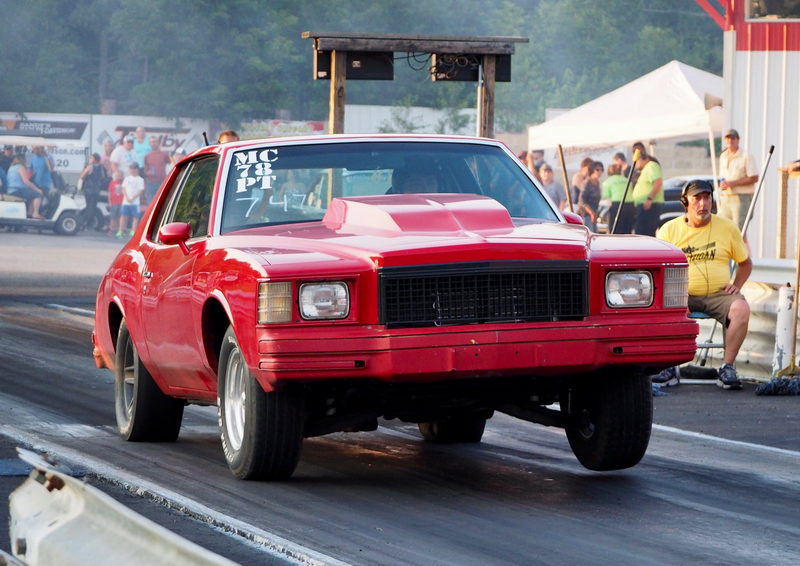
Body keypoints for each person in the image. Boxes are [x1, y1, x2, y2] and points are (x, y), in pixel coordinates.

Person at [654, 179, 752, 390]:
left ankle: (727, 367)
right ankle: (668, 367)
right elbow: (658, 269)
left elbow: (745, 263)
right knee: (668, 308)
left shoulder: (727, 227)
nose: (702, 204)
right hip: (682, 293)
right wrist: (676, 295)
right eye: (696, 198)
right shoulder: (669, 230)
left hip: (718, 294)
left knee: (741, 308)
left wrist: (737, 285)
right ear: (685, 202)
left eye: (706, 198)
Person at [718, 129, 758, 230]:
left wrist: (733, 183)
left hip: (741, 198)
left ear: (738, 140)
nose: (730, 140)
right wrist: (723, 184)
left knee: (739, 232)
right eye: (728, 138)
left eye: (733, 138)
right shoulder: (723, 156)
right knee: (724, 229)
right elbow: (723, 176)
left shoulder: (746, 156)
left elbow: (754, 177)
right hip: (726, 198)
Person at [631, 146, 663, 236]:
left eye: (636, 161)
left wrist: (649, 198)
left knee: (644, 233)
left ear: (642, 159)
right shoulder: (646, 168)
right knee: (641, 232)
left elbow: (658, 182)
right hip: (645, 206)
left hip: (650, 205)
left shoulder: (651, 165)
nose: (636, 165)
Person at [602, 163, 635, 234]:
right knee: (627, 230)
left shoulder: (607, 182)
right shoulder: (627, 180)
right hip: (630, 205)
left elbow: (608, 200)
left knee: (615, 230)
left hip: (617, 205)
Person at [78, 153, 106, 231]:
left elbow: (82, 176)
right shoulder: (101, 167)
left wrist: (85, 168)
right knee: (92, 207)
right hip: (96, 189)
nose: (90, 159)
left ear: (95, 159)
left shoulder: (90, 167)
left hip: (89, 189)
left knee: (88, 207)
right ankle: (89, 223)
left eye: (91, 158)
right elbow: (102, 177)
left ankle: (84, 223)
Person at [117, 163, 144, 238]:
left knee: (135, 217)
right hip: (126, 201)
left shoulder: (140, 179)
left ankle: (133, 231)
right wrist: (127, 197)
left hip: (135, 202)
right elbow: (124, 188)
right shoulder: (127, 178)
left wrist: (133, 198)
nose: (132, 170)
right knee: (123, 216)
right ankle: (121, 231)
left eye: (133, 169)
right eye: (131, 169)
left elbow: (140, 190)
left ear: (136, 169)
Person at [143, 136, 171, 205]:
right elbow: (145, 171)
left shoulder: (164, 154)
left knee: (162, 203)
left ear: (158, 143)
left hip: (162, 182)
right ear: (149, 143)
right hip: (150, 183)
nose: (153, 143)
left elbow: (170, 166)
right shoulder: (147, 156)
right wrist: (148, 173)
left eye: (154, 142)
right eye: (151, 142)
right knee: (150, 204)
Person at [578, 161, 603, 231]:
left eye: (601, 170)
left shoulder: (597, 182)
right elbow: (582, 201)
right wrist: (591, 213)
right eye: (597, 170)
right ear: (592, 170)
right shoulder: (587, 182)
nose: (600, 172)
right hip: (586, 214)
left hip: (594, 213)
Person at [107, 170, 124, 237]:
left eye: (119, 175)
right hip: (114, 202)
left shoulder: (123, 183)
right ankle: (112, 229)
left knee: (120, 217)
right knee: (113, 217)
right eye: (117, 176)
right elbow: (109, 193)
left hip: (122, 203)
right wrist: (110, 202)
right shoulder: (112, 183)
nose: (118, 177)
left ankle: (119, 230)